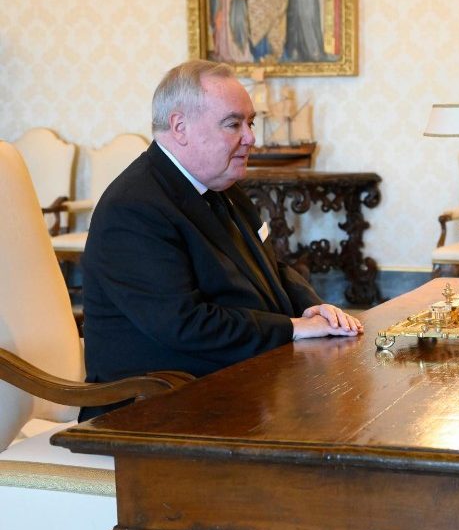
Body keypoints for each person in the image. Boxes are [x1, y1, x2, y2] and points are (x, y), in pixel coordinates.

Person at [81, 60, 362, 421]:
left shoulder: (221, 186)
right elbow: (185, 324)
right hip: (154, 410)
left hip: (233, 384)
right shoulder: (134, 207)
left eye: (250, 123)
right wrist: (293, 328)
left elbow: (269, 268)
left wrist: (314, 309)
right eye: (233, 124)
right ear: (180, 127)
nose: (251, 138)